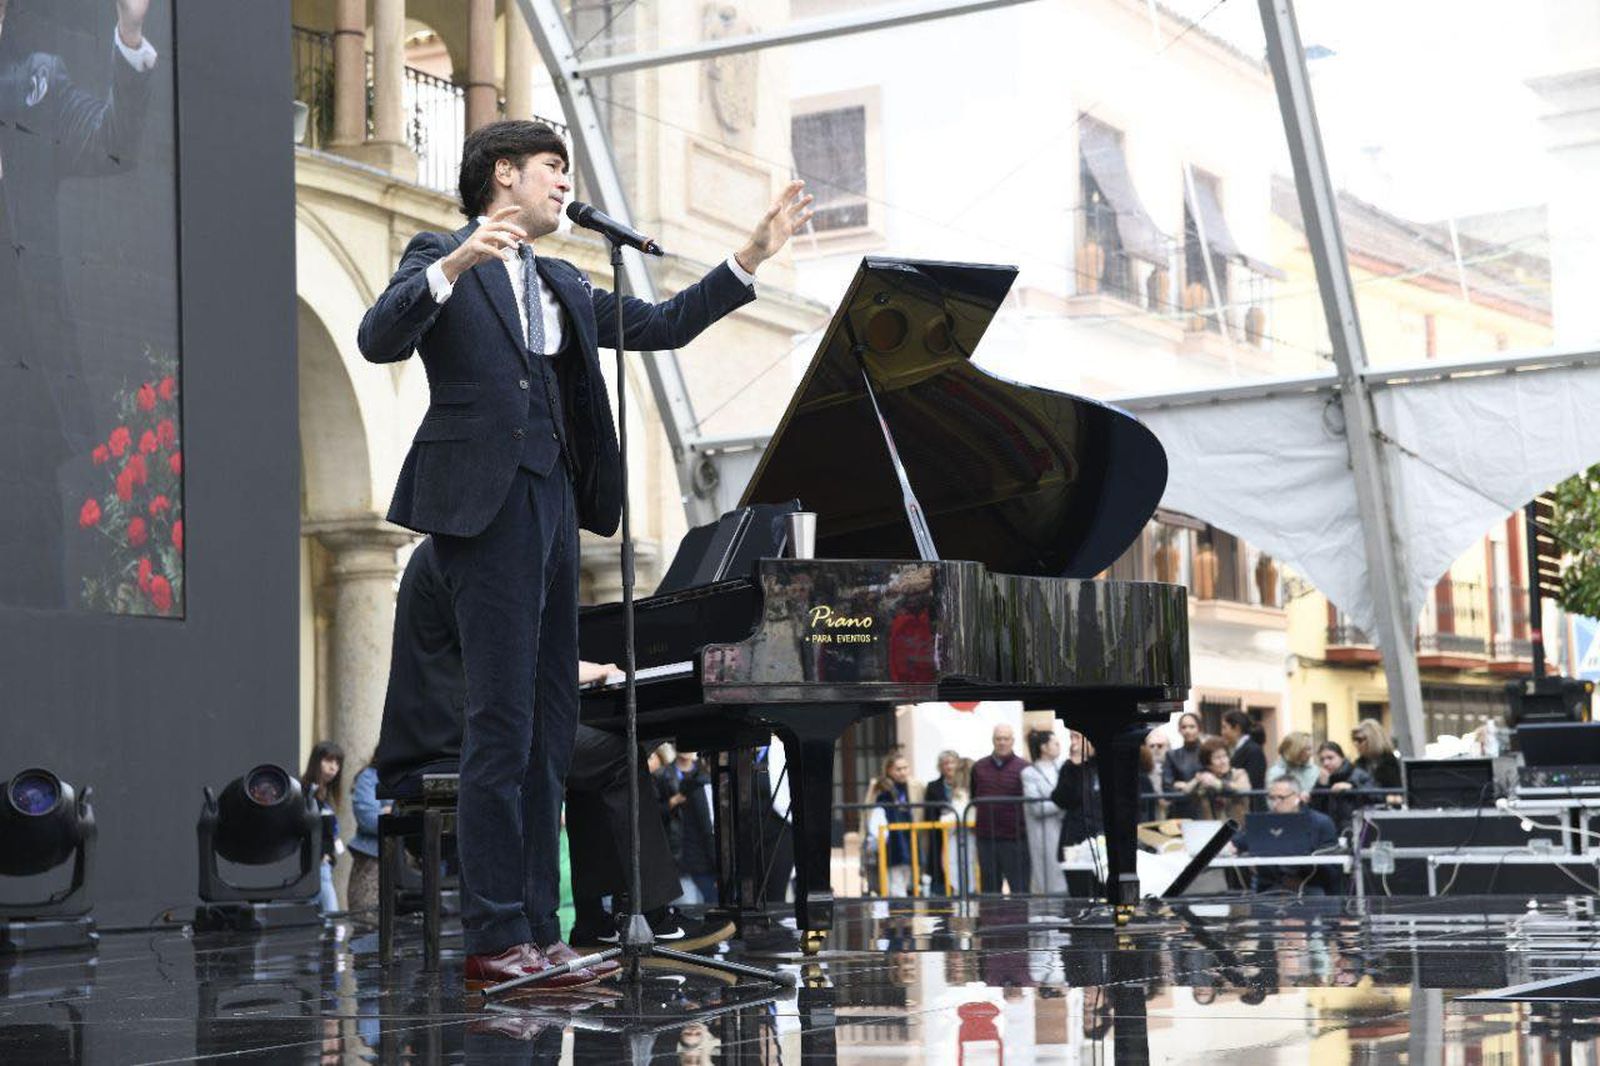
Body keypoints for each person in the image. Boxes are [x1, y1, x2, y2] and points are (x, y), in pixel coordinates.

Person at [357, 115, 811, 990]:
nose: (564, 185)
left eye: (566, 171)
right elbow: (382, 337)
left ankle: (537, 929)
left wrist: (748, 258)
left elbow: (665, 324)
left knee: (549, 730)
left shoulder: (563, 278)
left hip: (556, 503)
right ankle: (493, 938)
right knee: (499, 726)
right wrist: (456, 268)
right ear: (502, 177)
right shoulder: (436, 252)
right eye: (549, 169)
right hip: (480, 508)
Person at [372, 539, 725, 985]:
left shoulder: (442, 547)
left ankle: (596, 921)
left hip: (448, 720)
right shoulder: (465, 551)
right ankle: (650, 913)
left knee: (588, 754)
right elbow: (506, 657)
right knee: (614, 755)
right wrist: (589, 668)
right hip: (455, 732)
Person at [0, 0, 158, 608]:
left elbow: (113, 143)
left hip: (24, 396)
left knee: (35, 582)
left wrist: (130, 33)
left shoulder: (35, 83)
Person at [1237, 776, 1340, 895]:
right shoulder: (1264, 822)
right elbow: (1242, 840)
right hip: (1271, 885)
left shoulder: (1321, 822)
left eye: (1281, 798)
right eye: (1271, 798)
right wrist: (1232, 845)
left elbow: (1331, 867)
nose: (1274, 804)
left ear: (1297, 797)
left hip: (1310, 884)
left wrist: (1302, 878)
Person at [970, 724, 1030, 894]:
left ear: (1012, 741)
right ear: (993, 740)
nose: (1002, 742)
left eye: (1006, 738)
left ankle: (1021, 921)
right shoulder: (979, 767)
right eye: (998, 738)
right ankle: (991, 921)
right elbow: (974, 796)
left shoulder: (1024, 767)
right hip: (986, 838)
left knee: (1020, 889)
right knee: (989, 891)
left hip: (1015, 838)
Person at [865, 754, 918, 897]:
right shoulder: (883, 788)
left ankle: (905, 914)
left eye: (905, 768)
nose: (902, 772)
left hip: (910, 839)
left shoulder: (914, 786)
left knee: (909, 883)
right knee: (895, 886)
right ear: (889, 770)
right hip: (892, 842)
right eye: (898, 769)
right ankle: (898, 916)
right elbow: (870, 810)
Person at [301, 740, 345, 914]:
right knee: (331, 919)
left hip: (324, 866)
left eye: (337, 763)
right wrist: (321, 855)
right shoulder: (305, 794)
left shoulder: (326, 797)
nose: (333, 767)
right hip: (315, 866)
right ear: (316, 761)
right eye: (328, 760)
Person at [1020, 731, 1065, 894]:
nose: (1059, 746)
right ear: (1044, 747)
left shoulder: (1062, 767)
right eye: (1055, 743)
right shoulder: (1029, 773)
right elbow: (1036, 807)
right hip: (1043, 833)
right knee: (1048, 877)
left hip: (1063, 830)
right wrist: (1063, 803)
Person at [923, 750, 966, 895]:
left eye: (952, 762)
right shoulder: (933, 786)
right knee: (940, 868)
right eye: (945, 763)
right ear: (940, 766)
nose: (949, 766)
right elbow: (929, 813)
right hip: (940, 835)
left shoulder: (965, 784)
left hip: (962, 833)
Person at [346, 759, 386, 914]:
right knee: (366, 922)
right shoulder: (369, 776)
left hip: (408, 864)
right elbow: (369, 819)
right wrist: (397, 814)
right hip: (372, 859)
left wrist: (390, 812)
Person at [1310, 741, 1372, 833]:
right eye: (1322, 760)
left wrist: (1352, 787)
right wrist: (1321, 786)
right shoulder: (1323, 779)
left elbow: (1375, 796)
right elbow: (1316, 809)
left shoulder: (1358, 774)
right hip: (1330, 830)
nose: (1326, 763)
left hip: (1356, 829)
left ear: (1342, 757)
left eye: (1330, 758)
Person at [1191, 737, 1250, 823]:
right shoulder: (1205, 778)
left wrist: (1216, 783)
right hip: (1212, 830)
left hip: (1237, 829)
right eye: (1217, 758)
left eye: (1225, 756)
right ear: (1208, 765)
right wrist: (1196, 780)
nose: (1223, 761)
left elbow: (1244, 788)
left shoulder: (1239, 773)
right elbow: (1186, 791)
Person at [1220, 709, 1267, 806]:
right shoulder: (1235, 750)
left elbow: (1253, 783)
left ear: (1236, 728)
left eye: (1225, 728)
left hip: (1252, 808)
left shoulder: (1253, 750)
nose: (1222, 732)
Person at [1351, 718, 1402, 806]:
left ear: (1373, 740)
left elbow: (1396, 794)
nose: (1356, 744)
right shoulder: (1358, 764)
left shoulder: (1391, 764)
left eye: (1359, 740)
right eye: (1354, 740)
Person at [1163, 712, 1205, 818]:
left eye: (1192, 726)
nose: (1188, 731)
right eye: (1184, 727)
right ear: (1179, 730)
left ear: (1199, 729)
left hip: (1205, 811)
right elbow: (1167, 788)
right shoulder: (1172, 755)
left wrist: (1184, 786)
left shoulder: (1208, 753)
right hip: (1179, 813)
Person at [1267, 731, 1318, 798]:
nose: (1311, 753)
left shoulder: (1314, 769)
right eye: (1307, 749)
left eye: (1311, 749)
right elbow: (1274, 800)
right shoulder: (1276, 772)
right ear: (1296, 750)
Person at [1142, 729, 1169, 821]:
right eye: (1151, 746)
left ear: (1168, 747)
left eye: (1160, 746)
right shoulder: (1142, 771)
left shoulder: (1175, 767)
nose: (1156, 748)